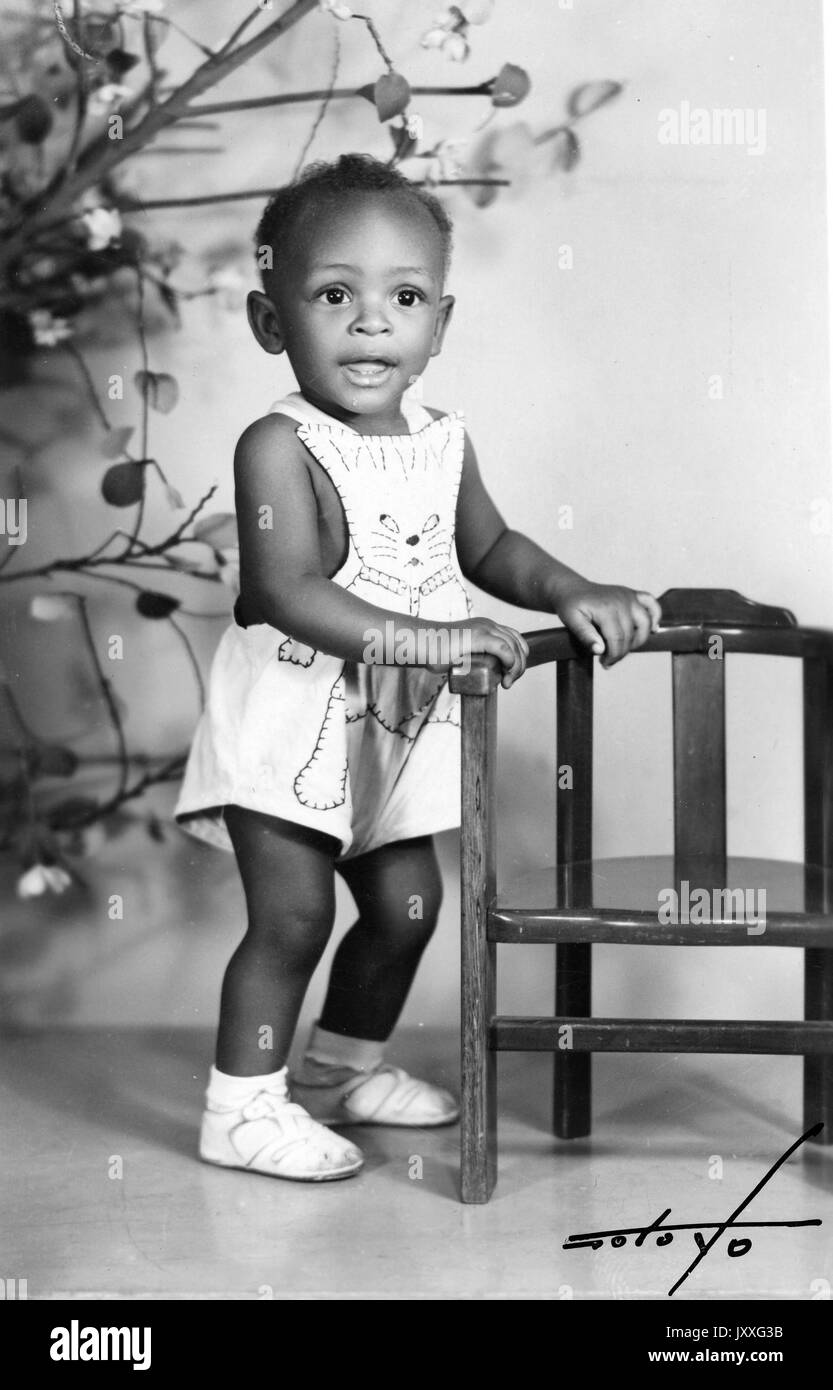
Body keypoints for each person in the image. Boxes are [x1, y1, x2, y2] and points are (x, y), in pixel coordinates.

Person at [174, 153, 661, 1182]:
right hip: (292, 718)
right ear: (272, 322)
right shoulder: (279, 443)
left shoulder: (442, 441)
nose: (367, 323)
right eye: (332, 295)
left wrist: (569, 587)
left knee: (404, 908)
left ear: (438, 323)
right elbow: (286, 589)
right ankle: (239, 1104)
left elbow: (491, 550)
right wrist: (434, 639)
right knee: (295, 913)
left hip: (392, 732)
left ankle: (339, 1069)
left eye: (400, 298)